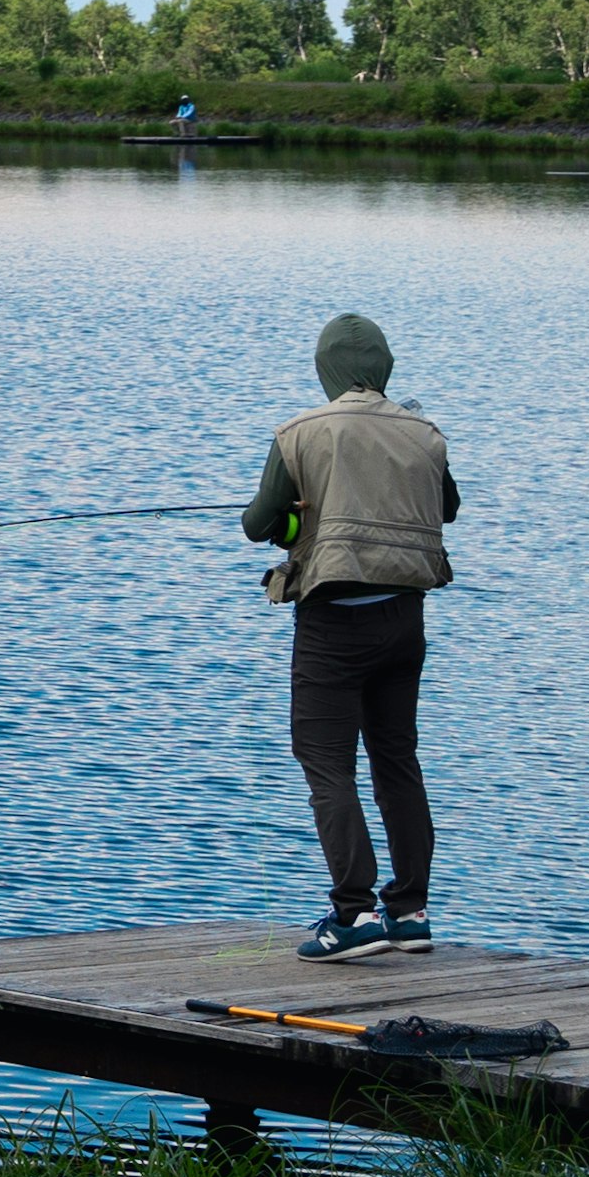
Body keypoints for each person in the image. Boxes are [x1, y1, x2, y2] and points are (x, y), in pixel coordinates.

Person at [243, 313, 459, 961]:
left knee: (325, 762)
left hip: (334, 625)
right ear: (383, 368)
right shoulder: (424, 434)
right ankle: (411, 911)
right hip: (405, 621)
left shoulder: (301, 433)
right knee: (396, 760)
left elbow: (259, 524)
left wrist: (292, 518)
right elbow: (447, 508)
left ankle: (354, 913)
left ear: (327, 369)